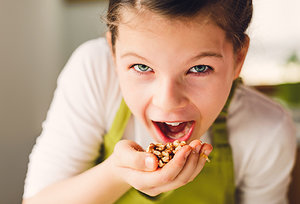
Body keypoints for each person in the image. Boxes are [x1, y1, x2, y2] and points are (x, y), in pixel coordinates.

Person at [22, 0, 297, 203]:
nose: (168, 103)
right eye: (142, 67)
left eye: (199, 68)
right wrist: (116, 174)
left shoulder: (267, 129)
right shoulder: (95, 73)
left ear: (239, 58)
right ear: (114, 54)